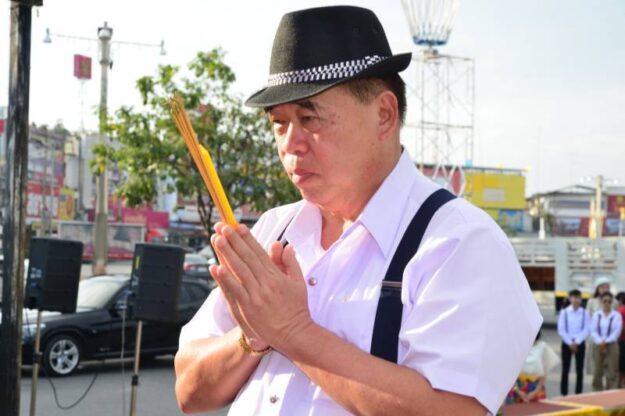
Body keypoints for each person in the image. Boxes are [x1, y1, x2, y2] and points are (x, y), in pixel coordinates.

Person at [174, 6, 542, 415]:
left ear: (384, 115)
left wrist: (292, 330)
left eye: (309, 117)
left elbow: (454, 410)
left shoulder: (459, 242)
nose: (290, 143)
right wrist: (251, 337)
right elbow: (189, 390)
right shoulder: (273, 229)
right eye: (279, 123)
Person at [506, 331, 560, 404]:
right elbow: (509, 371)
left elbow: (544, 372)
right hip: (517, 387)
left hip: (536, 387)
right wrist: (518, 391)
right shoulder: (517, 347)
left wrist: (535, 392)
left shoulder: (542, 347)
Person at [557, 289, 591, 395]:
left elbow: (587, 329)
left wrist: (577, 341)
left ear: (581, 299)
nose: (576, 300)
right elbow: (561, 329)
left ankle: (578, 393)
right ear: (570, 299)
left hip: (579, 343)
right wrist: (570, 342)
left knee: (579, 370)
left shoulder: (585, 313)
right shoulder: (564, 312)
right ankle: (564, 394)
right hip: (567, 343)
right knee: (565, 369)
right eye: (574, 297)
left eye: (578, 298)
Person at [591, 291, 623, 391]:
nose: (607, 303)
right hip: (598, 344)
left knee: (612, 370)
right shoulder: (597, 315)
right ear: (601, 302)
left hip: (611, 344)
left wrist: (606, 341)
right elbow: (593, 330)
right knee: (597, 370)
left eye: (609, 301)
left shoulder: (616, 315)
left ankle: (611, 392)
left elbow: (617, 331)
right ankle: (597, 391)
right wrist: (600, 341)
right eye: (605, 301)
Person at [586, 277, 613, 376]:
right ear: (597, 288)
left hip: (610, 338)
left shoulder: (613, 302)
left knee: (610, 367)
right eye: (602, 287)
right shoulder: (591, 302)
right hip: (595, 338)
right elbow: (588, 320)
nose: (605, 290)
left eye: (607, 287)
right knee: (596, 367)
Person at [616, 291, 625, 387]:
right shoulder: (622, 310)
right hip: (622, 341)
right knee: (622, 367)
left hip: (621, 340)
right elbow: (621, 327)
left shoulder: (620, 310)